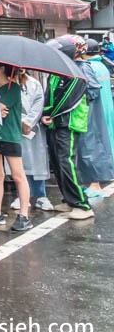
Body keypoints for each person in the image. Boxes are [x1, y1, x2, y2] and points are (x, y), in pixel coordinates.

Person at [43, 37, 93, 220]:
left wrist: (51, 114)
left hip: (68, 124)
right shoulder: (56, 73)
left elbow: (67, 101)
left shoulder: (76, 74)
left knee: (67, 162)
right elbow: (48, 96)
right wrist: (45, 114)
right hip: (55, 123)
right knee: (57, 162)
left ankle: (82, 204)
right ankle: (69, 200)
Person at [0, 63, 32, 232]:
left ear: (1, 69)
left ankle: (24, 215)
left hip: (10, 136)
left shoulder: (14, 89)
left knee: (18, 175)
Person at [76, 39, 114, 201]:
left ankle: (96, 181)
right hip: (107, 107)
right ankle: (109, 171)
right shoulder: (102, 66)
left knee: (94, 146)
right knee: (107, 142)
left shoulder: (88, 68)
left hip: (94, 110)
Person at [11, 69, 52, 212]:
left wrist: (28, 122)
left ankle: (41, 195)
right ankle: (22, 196)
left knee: (37, 162)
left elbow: (38, 105)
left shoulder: (34, 84)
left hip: (31, 128)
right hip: (13, 128)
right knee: (19, 163)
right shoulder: (7, 84)